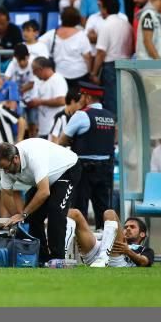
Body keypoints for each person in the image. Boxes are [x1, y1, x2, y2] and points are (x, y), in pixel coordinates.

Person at [0, 138, 80, 264]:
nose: (5, 172)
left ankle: (57, 258)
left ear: (16, 159)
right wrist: (17, 218)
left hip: (67, 170)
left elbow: (44, 192)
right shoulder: (6, 167)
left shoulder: (33, 156)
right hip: (47, 178)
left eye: (6, 168)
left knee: (55, 210)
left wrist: (23, 214)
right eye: (2, 168)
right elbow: (6, 193)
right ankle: (41, 258)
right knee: (32, 216)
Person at [59, 82, 116, 230]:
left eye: (82, 96)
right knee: (103, 209)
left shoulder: (81, 115)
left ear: (88, 97)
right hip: (105, 169)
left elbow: (62, 141)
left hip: (84, 169)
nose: (80, 99)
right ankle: (105, 245)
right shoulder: (110, 116)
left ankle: (82, 245)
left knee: (79, 208)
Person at [88, 0, 131, 114]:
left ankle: (114, 128)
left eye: (101, 6)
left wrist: (94, 73)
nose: (100, 10)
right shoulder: (126, 24)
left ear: (105, 8)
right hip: (126, 64)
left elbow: (101, 52)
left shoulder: (106, 25)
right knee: (123, 98)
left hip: (110, 66)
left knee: (111, 100)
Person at [67, 209, 153, 267]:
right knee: (74, 213)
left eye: (132, 227)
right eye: (126, 227)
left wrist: (128, 251)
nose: (128, 229)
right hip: (97, 252)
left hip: (117, 259)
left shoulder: (145, 250)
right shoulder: (111, 235)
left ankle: (103, 257)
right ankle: (60, 256)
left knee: (110, 213)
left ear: (142, 234)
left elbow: (144, 262)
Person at [39, 8, 92, 88]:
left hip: (60, 75)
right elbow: (87, 57)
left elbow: (38, 44)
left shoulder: (52, 34)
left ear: (62, 18)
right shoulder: (82, 35)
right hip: (80, 74)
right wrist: (90, 72)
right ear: (77, 20)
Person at [27, 57, 68, 140]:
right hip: (43, 129)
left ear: (41, 69)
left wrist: (40, 102)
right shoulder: (39, 81)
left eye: (34, 71)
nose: (34, 74)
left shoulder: (57, 79)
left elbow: (62, 100)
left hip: (55, 129)